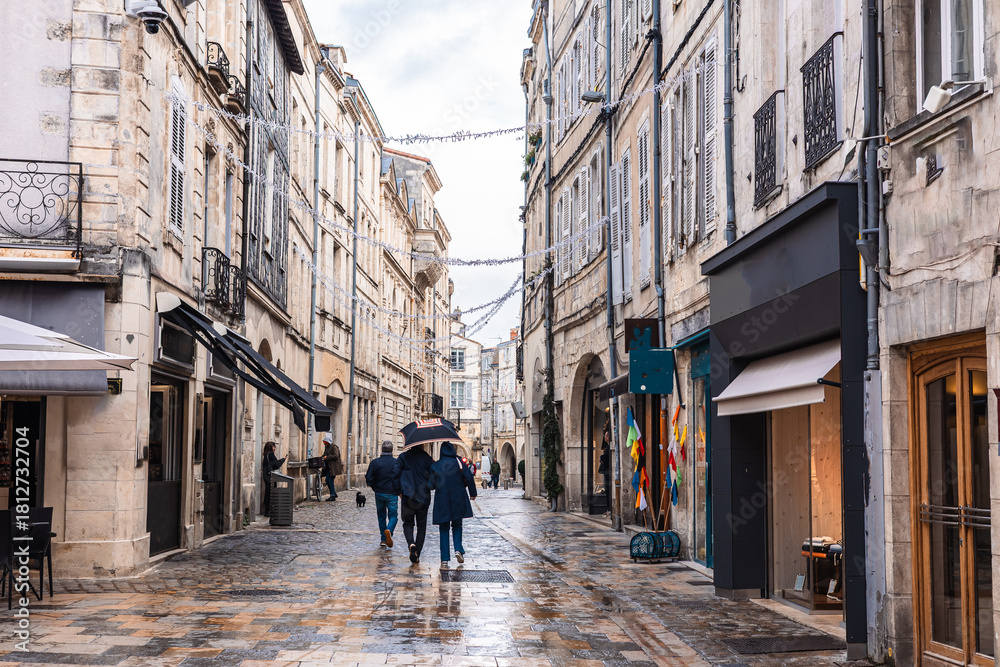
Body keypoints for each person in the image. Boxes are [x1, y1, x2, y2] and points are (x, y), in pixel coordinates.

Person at [429, 441, 477, 567]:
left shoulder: (436, 465)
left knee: (444, 527)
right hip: (458, 497)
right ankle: (458, 549)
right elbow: (469, 477)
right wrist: (473, 493)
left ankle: (444, 558)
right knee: (457, 525)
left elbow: (431, 485)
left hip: (442, 498)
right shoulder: (459, 462)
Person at [392, 443, 434, 564]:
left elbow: (395, 475)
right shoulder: (426, 458)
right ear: (422, 445)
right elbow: (433, 476)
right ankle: (417, 553)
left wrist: (398, 491)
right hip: (423, 497)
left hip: (407, 495)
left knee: (407, 523)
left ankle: (411, 543)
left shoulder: (403, 457)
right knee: (421, 526)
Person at [365, 440, 398, 547]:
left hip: (379, 493)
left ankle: (383, 539)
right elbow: (400, 477)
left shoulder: (375, 462)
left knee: (381, 516)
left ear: (382, 449)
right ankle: (389, 530)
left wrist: (374, 487)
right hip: (392, 493)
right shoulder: (396, 462)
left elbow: (368, 477)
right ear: (392, 450)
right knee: (393, 515)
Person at [261, 441, 285, 516]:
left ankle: (267, 510)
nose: (274, 448)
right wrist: (283, 459)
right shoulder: (270, 454)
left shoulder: (266, 455)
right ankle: (269, 510)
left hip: (266, 475)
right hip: (269, 476)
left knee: (268, 492)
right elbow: (276, 464)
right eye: (274, 447)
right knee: (270, 492)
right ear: (271, 448)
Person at [321, 435, 343, 501]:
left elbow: (335, 456)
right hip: (328, 467)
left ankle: (332, 495)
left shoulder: (334, 447)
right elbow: (324, 454)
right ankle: (334, 493)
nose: (324, 443)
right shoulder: (327, 447)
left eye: (325, 442)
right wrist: (322, 457)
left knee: (329, 480)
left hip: (333, 467)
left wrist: (327, 457)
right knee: (328, 480)